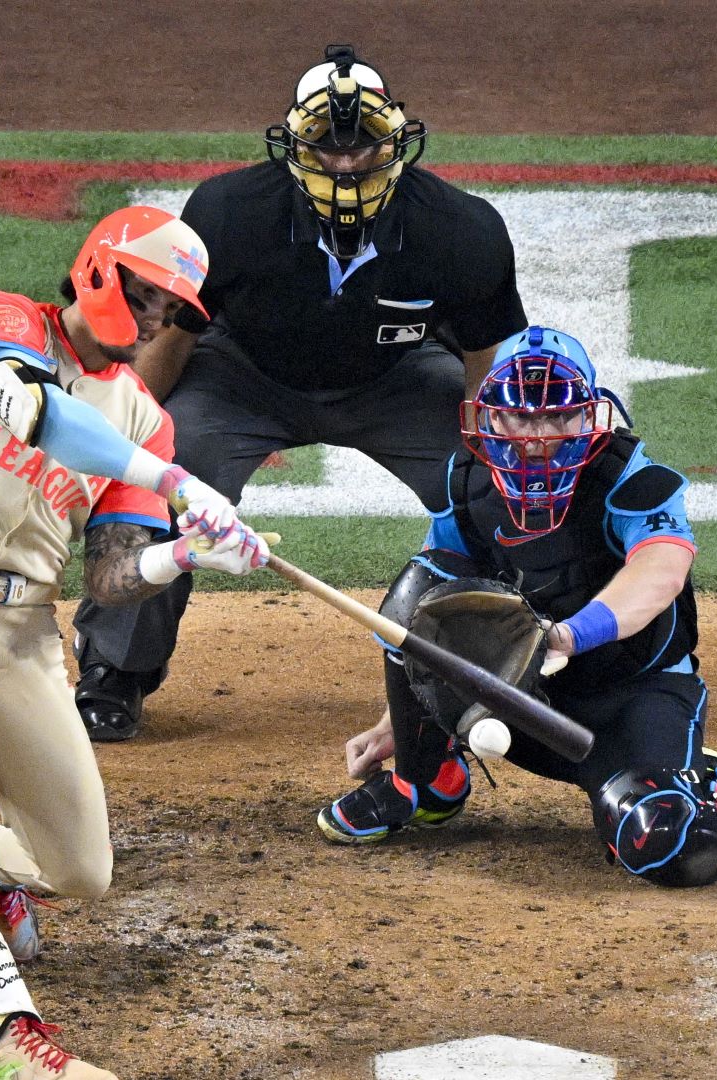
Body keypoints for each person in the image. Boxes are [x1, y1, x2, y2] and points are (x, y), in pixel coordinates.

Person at [0, 206, 269, 1080]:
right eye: (151, 297)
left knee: (80, 869)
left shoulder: (144, 419)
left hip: (24, 638)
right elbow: (35, 413)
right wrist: (179, 484)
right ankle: (7, 1040)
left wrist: (189, 552)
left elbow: (111, 576)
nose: (157, 321)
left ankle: (1, 877)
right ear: (101, 270)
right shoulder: (1, 322)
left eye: (175, 312)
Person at [70, 43, 528, 742]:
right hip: (243, 376)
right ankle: (115, 666)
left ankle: (512, 669)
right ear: (293, 146)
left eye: (364, 146)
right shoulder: (228, 212)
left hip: (395, 381)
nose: (347, 162)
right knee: (162, 473)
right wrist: (128, 437)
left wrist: (486, 459)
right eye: (326, 145)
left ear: (397, 144)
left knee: (497, 488)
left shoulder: (462, 231)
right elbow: (176, 334)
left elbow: (481, 357)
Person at [316, 326, 717, 888]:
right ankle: (426, 782)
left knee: (673, 844)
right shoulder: (467, 481)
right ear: (489, 418)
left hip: (634, 692)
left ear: (591, 417)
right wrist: (406, 719)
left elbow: (659, 573)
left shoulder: (630, 478)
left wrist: (567, 637)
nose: (537, 437)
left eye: (556, 417)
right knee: (420, 589)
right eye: (520, 418)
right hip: (530, 701)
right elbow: (436, 609)